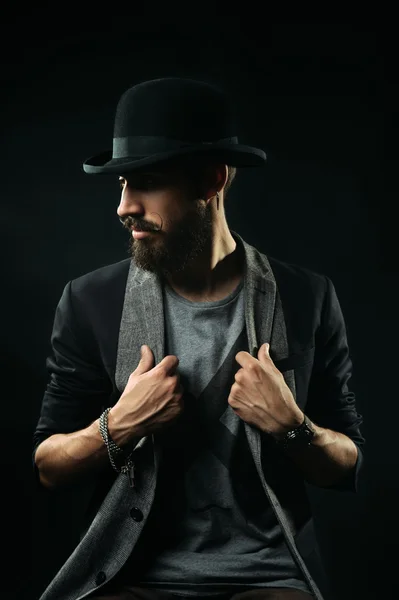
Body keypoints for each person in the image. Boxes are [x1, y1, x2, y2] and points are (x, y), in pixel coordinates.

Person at [32, 77, 366, 600]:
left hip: (269, 579)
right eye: (120, 186)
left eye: (145, 182)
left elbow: (347, 462)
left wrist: (293, 426)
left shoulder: (307, 298)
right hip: (132, 576)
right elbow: (48, 465)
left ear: (211, 180)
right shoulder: (90, 301)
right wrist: (118, 425)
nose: (124, 206)